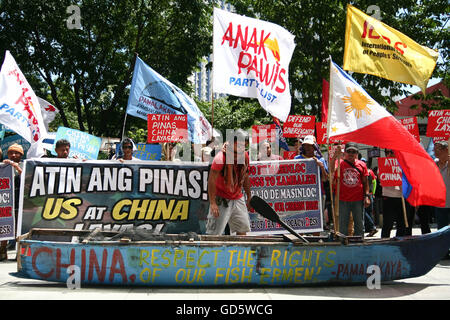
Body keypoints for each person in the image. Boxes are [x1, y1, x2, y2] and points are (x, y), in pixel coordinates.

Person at [206, 130, 251, 236]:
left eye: (243, 146)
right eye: (238, 145)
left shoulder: (244, 156)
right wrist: (212, 202)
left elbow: (245, 177)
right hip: (221, 198)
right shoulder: (220, 158)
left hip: (238, 197)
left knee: (242, 230)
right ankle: (212, 252)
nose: (240, 148)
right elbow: (211, 181)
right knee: (214, 234)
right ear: (231, 143)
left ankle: (241, 251)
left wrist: (249, 196)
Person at [330, 142, 370, 237]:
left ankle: (359, 243)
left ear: (357, 154)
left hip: (358, 199)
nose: (351, 154)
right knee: (342, 225)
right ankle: (343, 243)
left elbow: (365, 182)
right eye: (349, 151)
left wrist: (367, 196)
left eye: (354, 152)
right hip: (342, 199)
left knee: (359, 224)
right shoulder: (339, 163)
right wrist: (336, 155)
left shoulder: (362, 165)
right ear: (345, 153)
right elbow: (331, 170)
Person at [380, 149, 413, 238]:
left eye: (392, 152)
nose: (389, 154)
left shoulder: (404, 165)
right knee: (387, 224)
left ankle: (400, 242)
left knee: (402, 224)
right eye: (387, 152)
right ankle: (384, 243)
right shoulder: (383, 164)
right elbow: (381, 178)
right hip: (388, 197)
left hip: (402, 197)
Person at [1, 144, 24, 260]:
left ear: (21, 154)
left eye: (16, 153)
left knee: (18, 228)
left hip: (20, 202)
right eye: (11, 152)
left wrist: (17, 168)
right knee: (5, 224)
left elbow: (28, 178)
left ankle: (18, 253)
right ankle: (2, 250)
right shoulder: (4, 166)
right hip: (7, 202)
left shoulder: (26, 165)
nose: (13, 155)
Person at [433, 141, 450, 230]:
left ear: (446, 150)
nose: (435, 152)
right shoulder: (434, 164)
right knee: (441, 231)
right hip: (440, 204)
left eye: (438, 149)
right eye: (434, 149)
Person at [360, 157, 378, 237]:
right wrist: (373, 193)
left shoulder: (365, 171)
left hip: (366, 194)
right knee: (368, 212)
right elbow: (374, 182)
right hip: (370, 194)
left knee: (363, 212)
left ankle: (372, 227)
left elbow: (374, 182)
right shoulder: (370, 171)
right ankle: (370, 228)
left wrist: (372, 193)